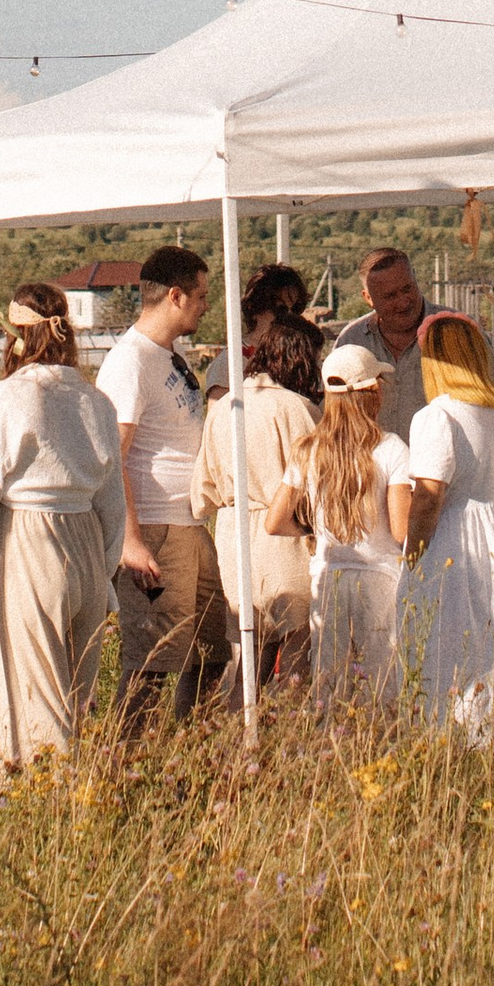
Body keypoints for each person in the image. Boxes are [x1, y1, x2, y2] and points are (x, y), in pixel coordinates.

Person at [0, 285, 128, 769]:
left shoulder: (8, 396)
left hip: (30, 538)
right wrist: (107, 569)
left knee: (34, 688)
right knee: (78, 687)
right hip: (88, 539)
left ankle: (38, 802)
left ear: (17, 337)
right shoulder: (96, 401)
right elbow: (114, 501)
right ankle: (74, 793)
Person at [95, 245, 232, 728]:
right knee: (152, 663)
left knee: (213, 654)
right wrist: (130, 540)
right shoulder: (128, 361)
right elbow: (115, 455)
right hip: (154, 530)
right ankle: (128, 766)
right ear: (175, 296)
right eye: (200, 295)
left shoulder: (167, 357)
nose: (205, 305)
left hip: (190, 526)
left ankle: (189, 756)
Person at [396, 310, 494, 735]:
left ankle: (453, 739)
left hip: (456, 542)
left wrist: (412, 559)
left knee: (451, 643)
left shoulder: (438, 417)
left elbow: (427, 498)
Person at [192, 271, 321, 690]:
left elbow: (203, 490)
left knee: (250, 657)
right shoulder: (296, 407)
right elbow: (315, 479)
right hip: (282, 533)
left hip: (234, 534)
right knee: (296, 647)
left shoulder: (226, 404)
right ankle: (291, 732)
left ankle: (238, 732)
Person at [282, 343, 414, 708]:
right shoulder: (391, 448)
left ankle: (328, 748)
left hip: (329, 575)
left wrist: (313, 531)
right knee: (383, 683)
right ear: (372, 392)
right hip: (380, 578)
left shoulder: (307, 449)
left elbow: (276, 520)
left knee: (329, 684)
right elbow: (402, 530)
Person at [329, 244, 431, 432]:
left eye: (407, 288)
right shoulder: (351, 340)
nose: (403, 301)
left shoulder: (456, 331)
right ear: (368, 298)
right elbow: (336, 415)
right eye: (390, 296)